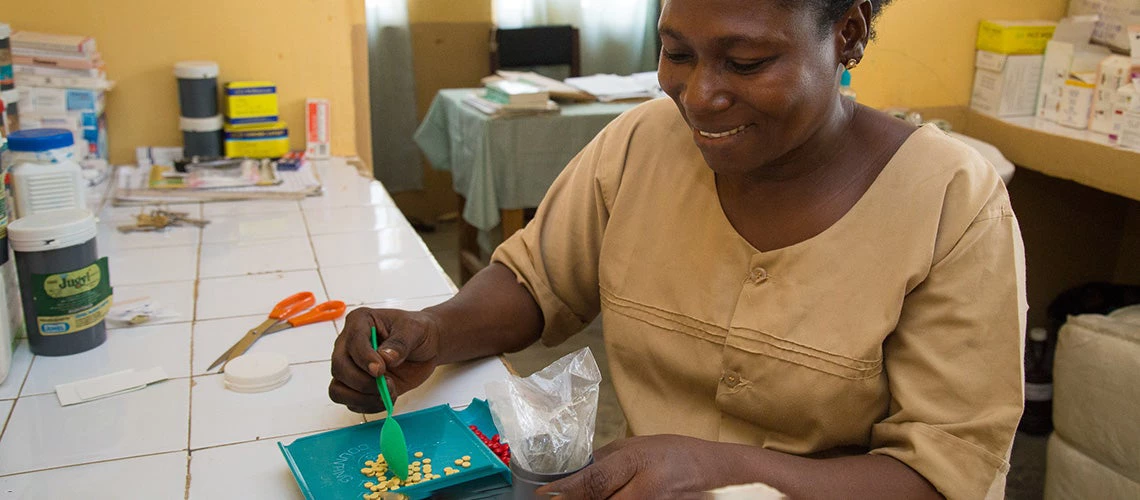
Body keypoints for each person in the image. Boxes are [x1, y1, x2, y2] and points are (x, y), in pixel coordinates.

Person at [330, 0, 1027, 498]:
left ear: (846, 35)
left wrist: (724, 472)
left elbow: (944, 473)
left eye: (746, 62)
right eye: (676, 53)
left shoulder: (951, 203)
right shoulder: (642, 144)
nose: (698, 95)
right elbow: (539, 279)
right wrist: (435, 329)